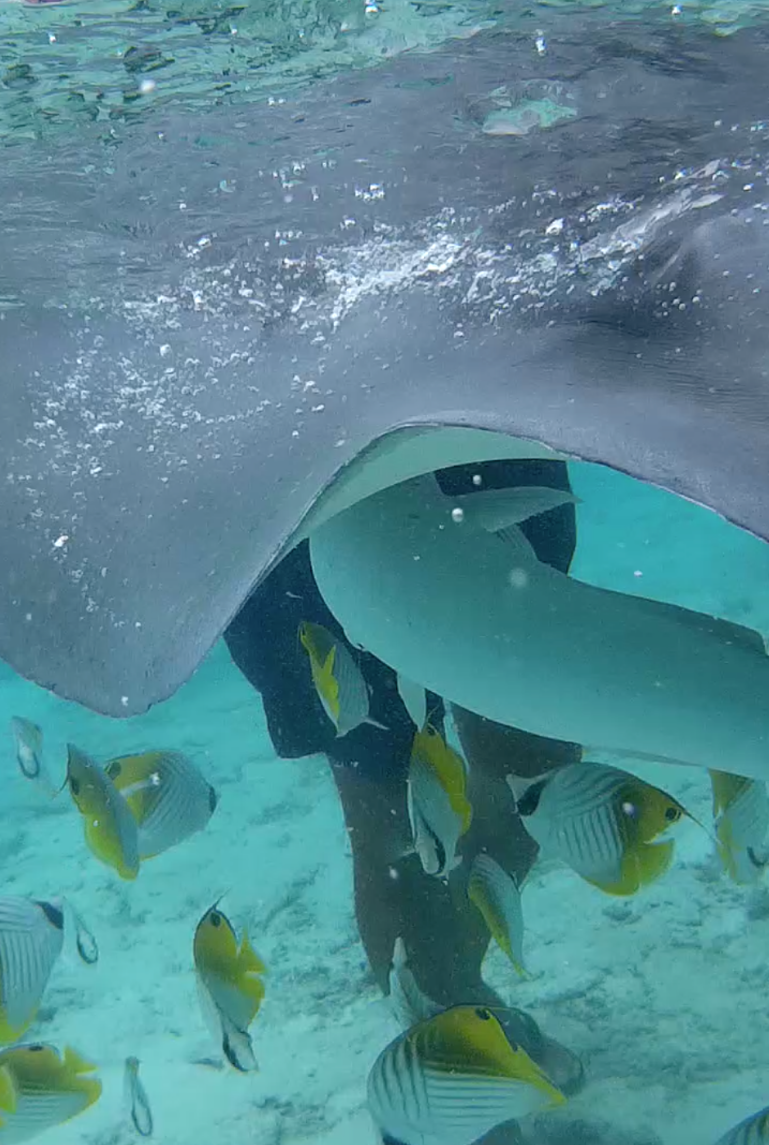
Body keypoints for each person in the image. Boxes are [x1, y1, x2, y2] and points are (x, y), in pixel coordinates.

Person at [223, 459, 588, 1138]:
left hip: (464, 442)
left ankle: (457, 1006)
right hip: (288, 489)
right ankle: (453, 1046)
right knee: (388, 805)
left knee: (535, 769)